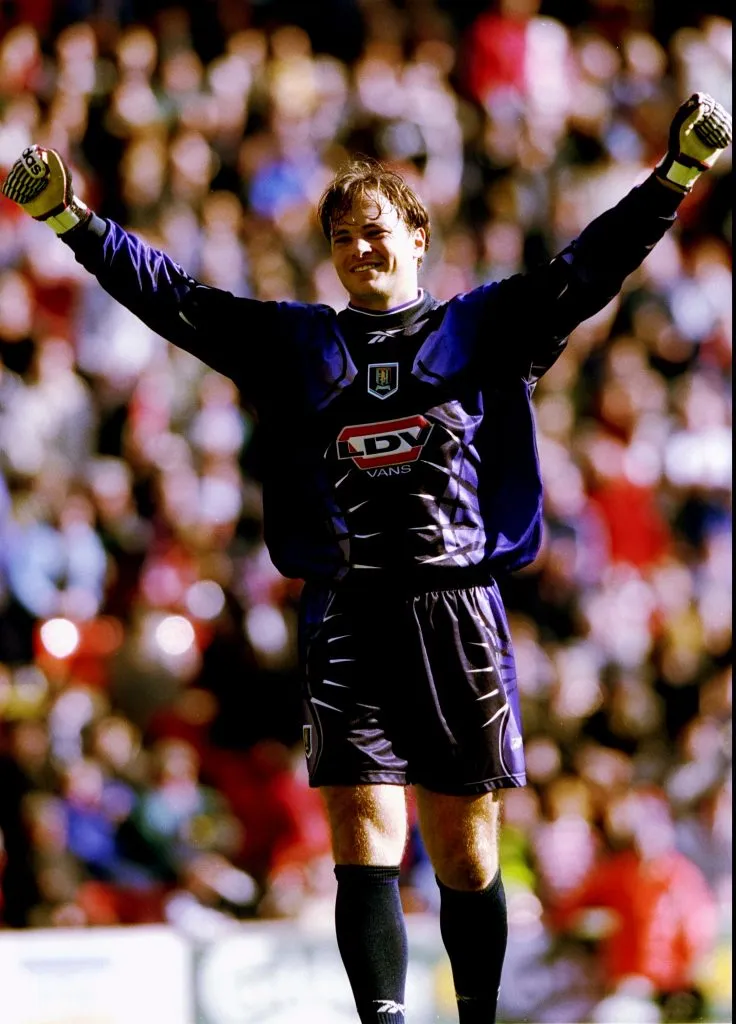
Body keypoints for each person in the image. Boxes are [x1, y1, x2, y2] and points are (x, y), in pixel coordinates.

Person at [2, 91, 731, 1024]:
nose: (360, 249)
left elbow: (589, 267)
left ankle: (476, 1014)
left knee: (466, 850)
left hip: (457, 607)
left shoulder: (483, 327)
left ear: (418, 235)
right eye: (343, 237)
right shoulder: (299, 344)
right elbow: (177, 301)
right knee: (361, 835)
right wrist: (75, 220)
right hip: (348, 610)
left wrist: (676, 175)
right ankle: (382, 1019)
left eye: (376, 230)